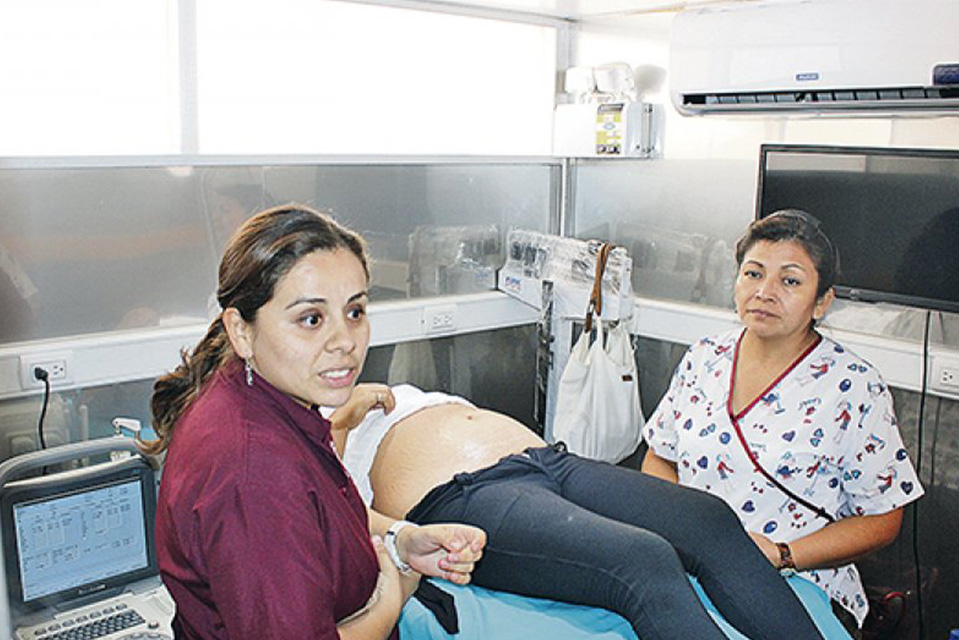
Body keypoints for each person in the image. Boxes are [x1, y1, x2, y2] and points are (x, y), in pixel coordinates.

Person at [144, 204, 484, 640]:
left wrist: (400, 541)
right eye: (311, 319)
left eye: (355, 312)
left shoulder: (263, 397)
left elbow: (317, 517)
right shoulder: (254, 473)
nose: (345, 342)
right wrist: (390, 600)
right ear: (241, 331)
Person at [330, 384, 830, 640]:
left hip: (548, 461)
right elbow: (331, 507)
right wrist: (338, 426)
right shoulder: (306, 417)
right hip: (461, 495)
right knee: (642, 560)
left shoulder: (348, 377)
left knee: (709, 519)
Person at [641, 209, 924, 637]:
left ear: (822, 301)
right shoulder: (705, 357)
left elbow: (882, 520)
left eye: (790, 281)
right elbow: (660, 457)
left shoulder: (852, 385)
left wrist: (782, 553)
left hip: (799, 583)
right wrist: (683, 532)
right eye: (753, 274)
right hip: (689, 570)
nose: (764, 292)